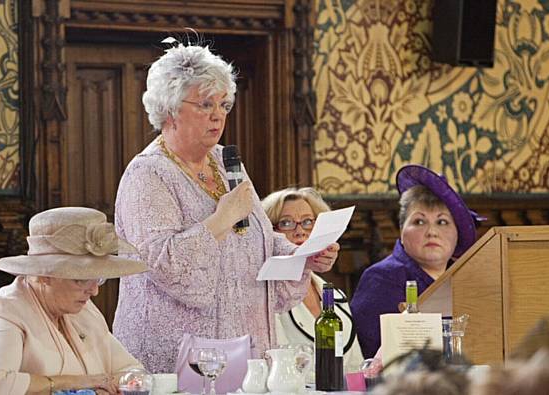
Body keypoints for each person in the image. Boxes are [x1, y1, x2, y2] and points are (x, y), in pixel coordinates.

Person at [113, 42, 339, 373]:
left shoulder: (225, 162)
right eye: (205, 104)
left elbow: (259, 239)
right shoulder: (148, 173)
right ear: (170, 109)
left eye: (224, 104)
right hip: (176, 360)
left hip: (245, 351)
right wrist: (221, 219)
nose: (218, 115)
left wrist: (301, 256)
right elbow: (163, 264)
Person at [0, 207, 149, 395]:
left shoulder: (83, 312)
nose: (95, 291)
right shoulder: (4, 312)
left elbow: (135, 372)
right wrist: (81, 383)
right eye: (81, 279)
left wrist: (106, 387)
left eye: (98, 279)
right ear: (43, 275)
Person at [350, 164, 478, 359]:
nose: (432, 232)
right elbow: (367, 356)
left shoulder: (467, 279)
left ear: (457, 234)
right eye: (419, 221)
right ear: (402, 230)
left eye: (442, 222)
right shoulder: (381, 278)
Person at [261, 187, 364, 373]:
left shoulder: (335, 295)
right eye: (286, 223)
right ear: (270, 232)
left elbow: (355, 366)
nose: (300, 231)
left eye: (308, 222)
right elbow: (278, 369)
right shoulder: (269, 296)